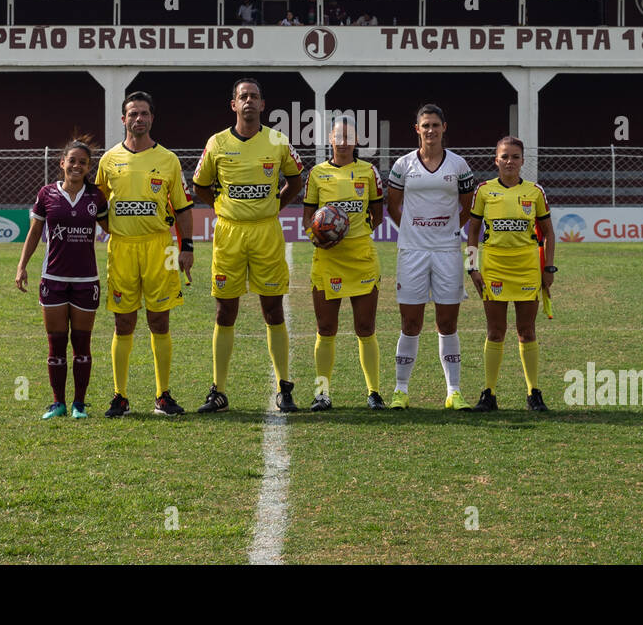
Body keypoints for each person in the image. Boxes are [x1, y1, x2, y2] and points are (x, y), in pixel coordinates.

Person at [191, 78, 304, 413]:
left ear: (263, 104)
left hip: (266, 232)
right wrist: (222, 207)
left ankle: (284, 387)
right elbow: (200, 186)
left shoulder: (278, 141)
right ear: (234, 105)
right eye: (243, 97)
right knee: (226, 311)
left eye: (254, 96)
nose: (249, 102)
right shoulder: (217, 143)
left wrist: (274, 206)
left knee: (273, 308)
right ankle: (219, 390)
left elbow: (296, 180)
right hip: (229, 233)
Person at [93, 91, 195, 417]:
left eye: (144, 114)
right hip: (122, 248)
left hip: (160, 246)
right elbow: (96, 202)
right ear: (123, 119)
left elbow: (182, 207)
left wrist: (187, 246)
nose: (139, 119)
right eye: (133, 114)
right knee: (123, 322)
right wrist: (111, 228)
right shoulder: (108, 160)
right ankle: (120, 397)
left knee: (159, 320)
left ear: (152, 118)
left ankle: (162, 395)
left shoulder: (168, 159)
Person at [385, 104, 477, 410]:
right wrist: (414, 230)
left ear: (444, 128)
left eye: (435, 125)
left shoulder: (459, 165)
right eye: (425, 125)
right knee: (410, 322)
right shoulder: (403, 165)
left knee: (447, 322)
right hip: (412, 251)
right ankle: (400, 390)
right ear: (417, 129)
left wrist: (446, 231)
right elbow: (393, 205)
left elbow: (466, 207)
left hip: (447, 251)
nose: (431, 131)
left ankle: (454, 391)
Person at [16, 137, 111, 419]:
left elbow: (113, 229)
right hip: (53, 279)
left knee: (82, 344)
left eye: (82, 162)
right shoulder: (47, 194)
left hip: (86, 281)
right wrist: (22, 266)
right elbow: (34, 232)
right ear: (62, 163)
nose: (76, 166)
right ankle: (57, 403)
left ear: (88, 167)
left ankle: (79, 404)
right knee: (56, 343)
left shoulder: (96, 197)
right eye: (72, 161)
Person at [465, 136, 556, 412]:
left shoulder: (535, 192)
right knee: (495, 332)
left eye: (515, 157)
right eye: (504, 156)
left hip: (527, 269)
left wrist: (548, 268)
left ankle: (533, 392)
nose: (509, 161)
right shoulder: (483, 191)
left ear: (522, 161)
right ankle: (488, 393)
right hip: (494, 268)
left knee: (527, 331)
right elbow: (471, 232)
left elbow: (549, 233)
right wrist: (472, 266)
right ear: (496, 160)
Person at [302, 115, 385, 411]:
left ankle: (374, 392)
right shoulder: (317, 174)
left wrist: (354, 235)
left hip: (361, 259)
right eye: (339, 136)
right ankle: (322, 393)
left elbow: (377, 214)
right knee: (326, 328)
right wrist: (321, 238)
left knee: (365, 328)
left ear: (357, 141)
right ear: (330, 139)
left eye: (349, 136)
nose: (344, 141)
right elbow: (307, 220)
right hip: (327, 260)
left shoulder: (368, 172)